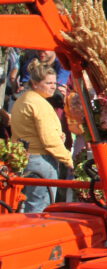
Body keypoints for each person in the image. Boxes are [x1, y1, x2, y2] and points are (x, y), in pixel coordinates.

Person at [10, 60, 73, 212]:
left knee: (24, 208)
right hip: (41, 161)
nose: (53, 86)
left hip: (25, 158)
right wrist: (68, 159)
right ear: (35, 84)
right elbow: (49, 140)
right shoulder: (38, 104)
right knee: (39, 210)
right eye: (48, 83)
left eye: (54, 83)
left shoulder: (23, 99)